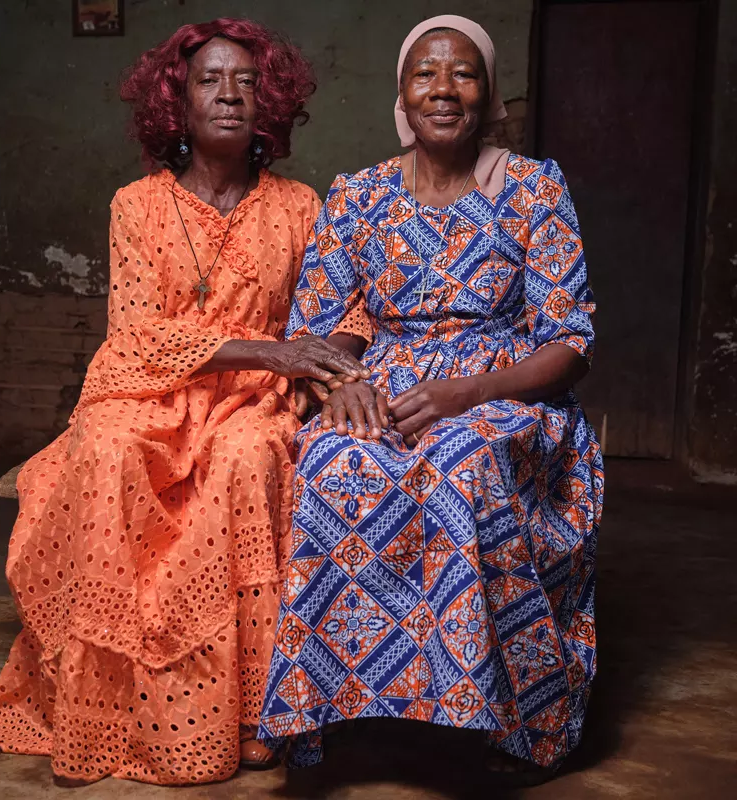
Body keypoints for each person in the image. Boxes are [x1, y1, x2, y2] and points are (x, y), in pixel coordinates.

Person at [0, 18, 366, 786]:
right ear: (175, 103)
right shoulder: (136, 206)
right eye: (210, 80)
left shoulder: (302, 205)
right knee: (107, 451)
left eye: (247, 82)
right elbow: (140, 333)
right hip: (153, 387)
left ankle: (244, 719)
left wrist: (316, 362)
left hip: (254, 401)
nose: (229, 95)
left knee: (247, 459)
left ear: (269, 102)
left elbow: (343, 314)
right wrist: (269, 348)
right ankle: (95, 715)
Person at [254, 15, 603, 785]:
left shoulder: (533, 187)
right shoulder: (359, 194)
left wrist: (465, 393)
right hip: (388, 384)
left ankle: (512, 723)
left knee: (460, 464)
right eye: (425, 75)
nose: (443, 90)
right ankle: (329, 715)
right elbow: (323, 325)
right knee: (330, 462)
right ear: (402, 96)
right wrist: (344, 385)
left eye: (463, 74)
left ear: (488, 96)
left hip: (502, 392)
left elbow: (569, 343)